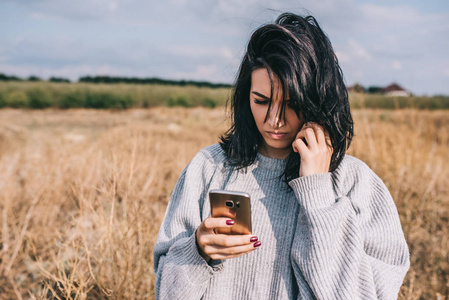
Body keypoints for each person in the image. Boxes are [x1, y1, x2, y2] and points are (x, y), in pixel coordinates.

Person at [153, 12, 410, 299]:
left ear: (319, 99)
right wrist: (197, 252)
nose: (274, 120)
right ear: (245, 96)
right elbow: (166, 292)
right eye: (260, 101)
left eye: (292, 103)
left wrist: (318, 194)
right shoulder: (208, 167)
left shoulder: (356, 183)